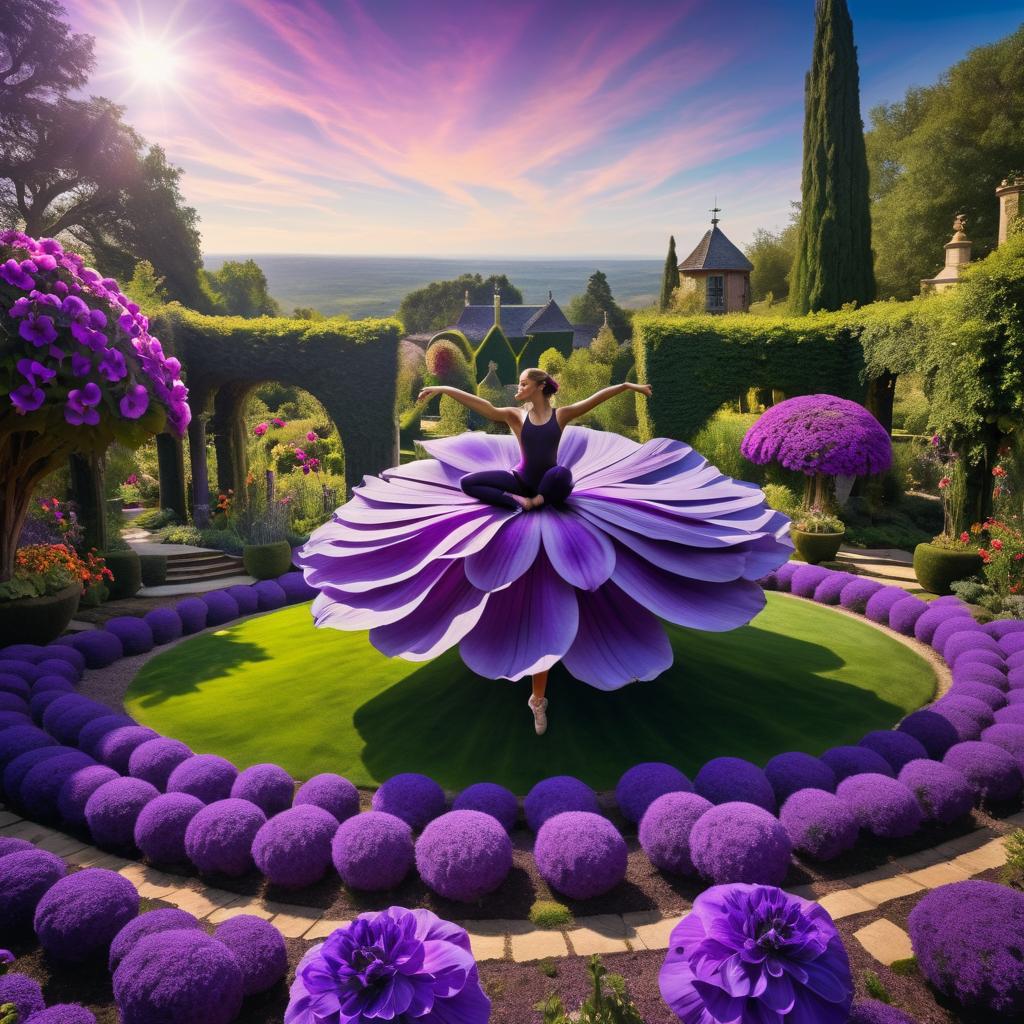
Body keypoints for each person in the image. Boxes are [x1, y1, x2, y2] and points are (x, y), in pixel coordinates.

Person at [416, 367, 652, 734]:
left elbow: (596, 399)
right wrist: (442, 388)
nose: (519, 388)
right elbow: (483, 406)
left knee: (562, 476)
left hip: (549, 486)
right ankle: (519, 501)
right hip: (521, 481)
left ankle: (535, 500)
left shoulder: (561, 415)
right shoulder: (515, 417)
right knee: (470, 481)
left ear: (541, 387)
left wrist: (628, 386)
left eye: (524, 383)